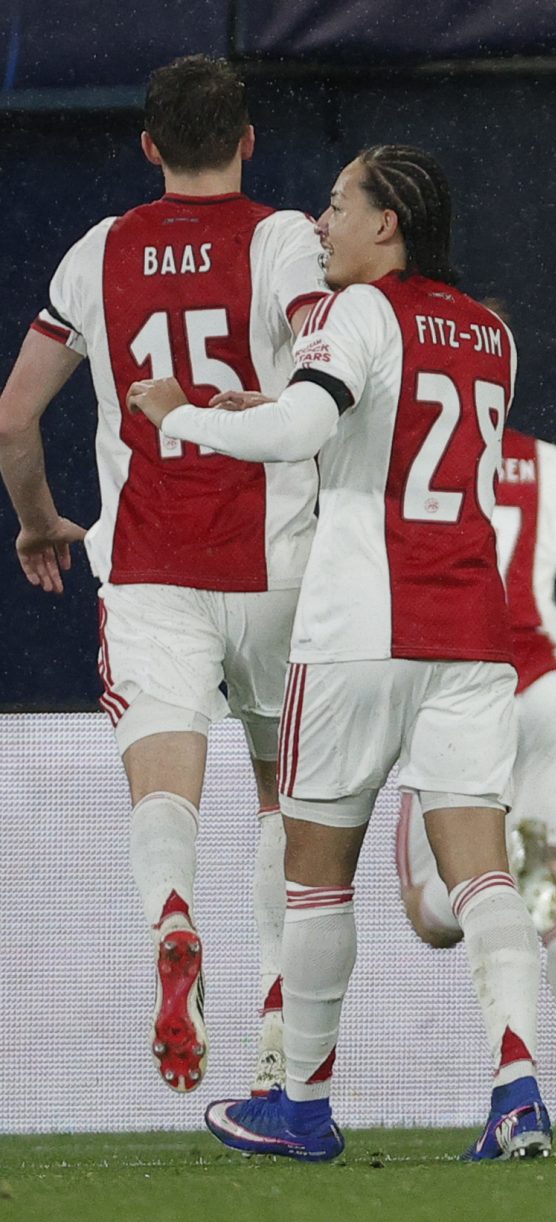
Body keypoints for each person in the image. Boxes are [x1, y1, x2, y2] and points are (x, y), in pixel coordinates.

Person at [128, 144, 552, 1163]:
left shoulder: (360, 311)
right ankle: (518, 1090)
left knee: (316, 877)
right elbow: (388, 434)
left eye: (336, 204)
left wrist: (184, 414)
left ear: (386, 223)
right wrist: (276, 412)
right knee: (483, 875)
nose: (320, 224)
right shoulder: (492, 332)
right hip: (471, 630)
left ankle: (303, 1108)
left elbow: (305, 429)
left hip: (360, 625)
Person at [0, 55, 326, 1096]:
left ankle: (173, 916)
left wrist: (40, 521)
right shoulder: (285, 239)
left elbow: (13, 418)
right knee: (285, 801)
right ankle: (276, 1026)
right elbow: (331, 360)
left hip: (149, 566)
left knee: (163, 784)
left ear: (148, 146)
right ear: (248, 139)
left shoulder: (99, 251)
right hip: (280, 564)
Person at [395, 421, 556, 1130]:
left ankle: (492, 874)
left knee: (431, 913)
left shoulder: (404, 452)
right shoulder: (547, 463)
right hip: (541, 687)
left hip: (454, 682)